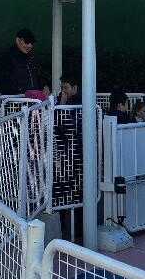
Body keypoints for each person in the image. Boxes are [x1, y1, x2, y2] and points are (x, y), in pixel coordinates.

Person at [53, 73, 83, 242]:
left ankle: (72, 227)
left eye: (65, 88)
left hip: (73, 153)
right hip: (70, 153)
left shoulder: (76, 104)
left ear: (75, 88)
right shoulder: (71, 102)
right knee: (70, 190)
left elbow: (64, 124)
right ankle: (72, 227)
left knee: (69, 189)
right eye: (62, 88)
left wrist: (62, 105)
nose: (63, 91)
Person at [0, 28, 49, 96]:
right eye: (27, 42)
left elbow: (37, 79)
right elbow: (1, 82)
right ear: (18, 40)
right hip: (12, 100)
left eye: (32, 43)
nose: (29, 45)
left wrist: (43, 87)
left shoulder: (32, 59)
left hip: (32, 100)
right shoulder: (6, 58)